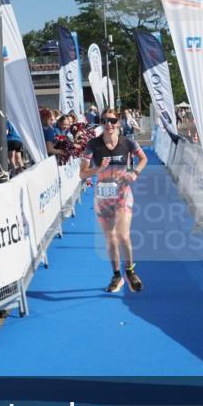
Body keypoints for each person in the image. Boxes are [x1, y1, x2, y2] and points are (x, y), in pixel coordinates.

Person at [78, 108, 149, 294]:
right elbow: (81, 174)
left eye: (112, 120)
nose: (109, 124)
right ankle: (117, 275)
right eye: (105, 120)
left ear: (118, 122)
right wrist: (96, 170)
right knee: (110, 238)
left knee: (123, 236)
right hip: (103, 197)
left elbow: (143, 158)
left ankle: (130, 271)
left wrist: (134, 172)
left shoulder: (128, 143)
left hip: (122, 194)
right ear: (101, 123)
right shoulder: (93, 145)